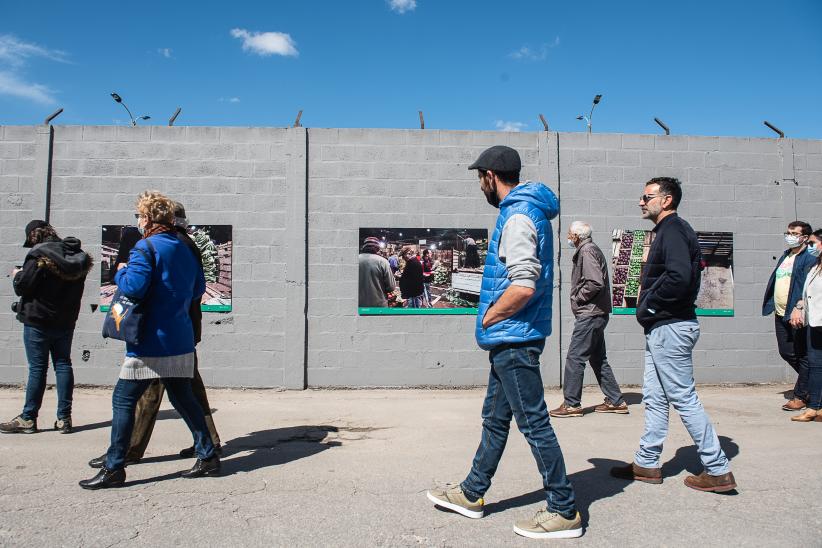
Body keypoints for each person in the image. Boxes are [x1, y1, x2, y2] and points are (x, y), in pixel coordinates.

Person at [427, 145, 582, 539]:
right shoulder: (526, 212)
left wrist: (490, 316)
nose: (480, 185)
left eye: (480, 178)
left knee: (534, 423)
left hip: (514, 339)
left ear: (490, 177)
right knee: (495, 420)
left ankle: (563, 510)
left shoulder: (516, 217)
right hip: (513, 339)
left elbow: (524, 284)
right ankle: (471, 492)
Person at [80, 191, 219, 489]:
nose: (138, 221)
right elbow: (198, 289)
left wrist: (121, 273)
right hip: (179, 336)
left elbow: (134, 288)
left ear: (147, 218)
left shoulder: (145, 248)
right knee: (184, 398)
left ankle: (115, 466)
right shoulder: (185, 247)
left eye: (139, 216)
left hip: (150, 340)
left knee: (123, 399)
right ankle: (208, 455)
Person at [610, 177, 737, 493]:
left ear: (665, 200)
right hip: (662, 328)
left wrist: (648, 307)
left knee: (682, 397)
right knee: (654, 397)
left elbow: (679, 278)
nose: (641, 201)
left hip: (670, 326)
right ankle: (647, 462)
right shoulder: (666, 231)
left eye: (646, 196)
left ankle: (718, 469)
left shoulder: (675, 230)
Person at [0, 221, 93, 435]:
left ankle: (28, 418)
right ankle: (64, 418)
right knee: (63, 364)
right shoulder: (76, 256)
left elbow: (23, 286)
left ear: (33, 236)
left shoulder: (39, 255)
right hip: (65, 321)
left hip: (38, 320)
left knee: (37, 369)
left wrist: (17, 276)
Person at [550, 221, 627, 418]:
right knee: (598, 358)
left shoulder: (587, 251)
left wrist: (578, 298)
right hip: (596, 313)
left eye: (569, 233)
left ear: (577, 236)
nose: (567, 236)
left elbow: (595, 282)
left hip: (590, 314)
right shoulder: (589, 249)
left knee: (575, 358)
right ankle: (616, 401)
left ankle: (572, 404)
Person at [762, 221, 815, 411]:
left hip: (797, 314)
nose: (789, 235)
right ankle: (813, 384)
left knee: (803, 355)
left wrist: (799, 307)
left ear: (805, 238)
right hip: (780, 312)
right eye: (788, 232)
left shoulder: (809, 257)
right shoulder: (786, 255)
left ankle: (801, 396)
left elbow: (808, 286)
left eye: (794, 233)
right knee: (786, 352)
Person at [788, 228, 822, 422]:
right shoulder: (815, 267)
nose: (809, 247)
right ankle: (814, 408)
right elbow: (806, 294)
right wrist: (799, 307)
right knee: (816, 366)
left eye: (812, 243)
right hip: (815, 322)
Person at [358, 237, 396, 308]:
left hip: (359, 304)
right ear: (377, 248)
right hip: (378, 305)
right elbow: (391, 287)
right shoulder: (383, 262)